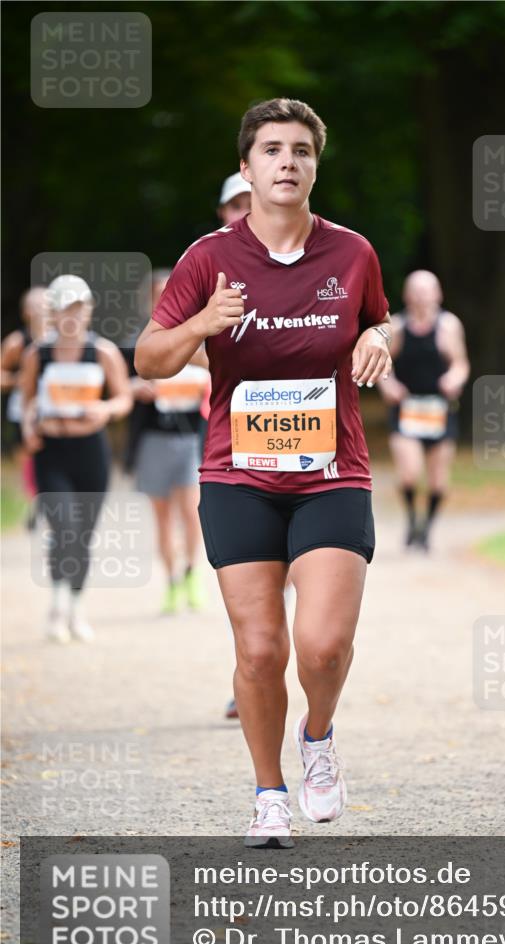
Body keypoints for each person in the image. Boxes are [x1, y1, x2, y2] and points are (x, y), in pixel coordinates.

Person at [135, 97, 392, 848]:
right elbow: (150, 360)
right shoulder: (208, 259)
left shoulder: (352, 253)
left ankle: (316, 738)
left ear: (315, 166)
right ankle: (267, 793)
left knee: (321, 646)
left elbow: (373, 318)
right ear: (247, 169)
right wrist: (200, 325)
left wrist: (376, 335)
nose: (287, 162)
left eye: (301, 152)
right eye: (272, 150)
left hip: (331, 473)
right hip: (237, 475)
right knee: (258, 650)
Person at [21, 275, 132, 642]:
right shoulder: (38, 353)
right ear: (51, 313)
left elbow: (123, 398)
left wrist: (104, 410)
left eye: (77, 308)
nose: (71, 316)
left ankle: (76, 608)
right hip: (52, 453)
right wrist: (28, 429)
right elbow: (25, 401)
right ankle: (56, 606)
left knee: (82, 536)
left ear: (88, 311)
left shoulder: (102, 352)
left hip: (90, 454)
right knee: (63, 529)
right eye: (63, 309)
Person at [123, 270, 209, 615]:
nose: (164, 299)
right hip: (152, 440)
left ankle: (191, 573)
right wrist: (136, 388)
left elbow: (221, 374)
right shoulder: (136, 341)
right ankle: (171, 580)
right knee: (162, 517)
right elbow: (117, 386)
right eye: (158, 294)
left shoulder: (201, 339)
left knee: (191, 513)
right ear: (150, 301)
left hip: (190, 439)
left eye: (169, 293)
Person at [379, 270, 469, 551]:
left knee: (438, 481)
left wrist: (454, 378)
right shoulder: (399, 326)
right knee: (409, 473)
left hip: (439, 410)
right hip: (406, 410)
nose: (421, 296)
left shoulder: (448, 325)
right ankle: (411, 518)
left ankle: (426, 528)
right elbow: (384, 364)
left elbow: (460, 363)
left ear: (438, 294)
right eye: (415, 290)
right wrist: (389, 386)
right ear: (406, 295)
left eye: (427, 290)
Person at [209, 171, 252, 718]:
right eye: (235, 204)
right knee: (249, 572)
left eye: (250, 201)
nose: (245, 209)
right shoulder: (207, 266)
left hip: (302, 443)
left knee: (293, 571)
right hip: (228, 436)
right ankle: (251, 670)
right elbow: (171, 348)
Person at [1, 286, 51, 525]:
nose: (42, 310)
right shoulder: (16, 343)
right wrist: (17, 380)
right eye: (36, 306)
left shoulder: (64, 339)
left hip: (55, 407)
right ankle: (34, 501)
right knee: (29, 456)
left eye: (46, 305)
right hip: (22, 408)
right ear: (25, 313)